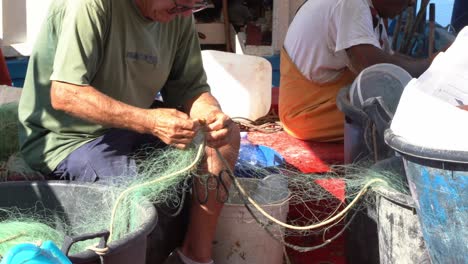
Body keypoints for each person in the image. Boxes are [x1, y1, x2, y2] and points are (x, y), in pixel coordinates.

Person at [17, 0, 240, 264]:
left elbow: (191, 88)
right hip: (70, 137)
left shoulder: (179, 12)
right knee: (138, 204)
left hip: (132, 125)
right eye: (179, 5)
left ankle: (194, 257)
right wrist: (150, 122)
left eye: (192, 7)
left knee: (224, 139)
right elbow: (66, 94)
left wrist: (211, 113)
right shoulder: (91, 5)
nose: (181, 14)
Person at [279, 0, 432, 142]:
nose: (412, 2)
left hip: (318, 107)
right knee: (404, 118)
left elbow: (389, 57)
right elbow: (375, 69)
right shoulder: (351, 4)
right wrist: (431, 65)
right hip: (307, 115)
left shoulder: (368, 12)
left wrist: (430, 63)